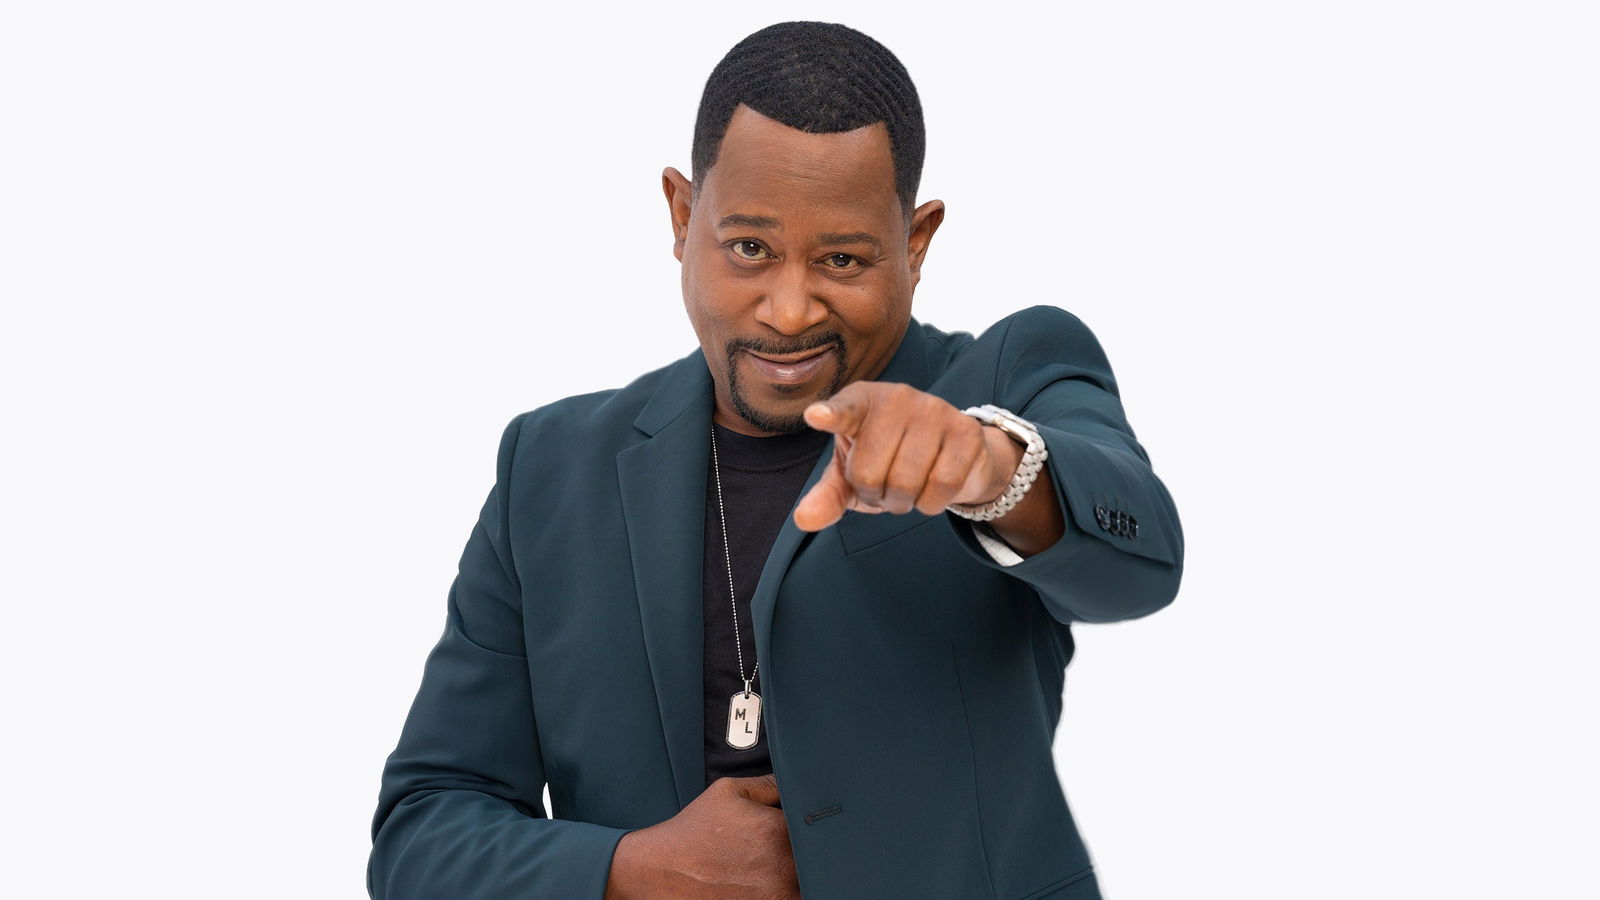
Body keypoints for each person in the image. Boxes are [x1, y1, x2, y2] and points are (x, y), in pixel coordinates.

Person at [368, 20, 1183, 900]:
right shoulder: (551, 468)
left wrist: (992, 471)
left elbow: (1140, 562)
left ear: (915, 243)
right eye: (749, 248)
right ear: (683, 218)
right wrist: (631, 869)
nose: (790, 311)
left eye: (842, 258)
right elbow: (424, 833)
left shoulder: (1006, 381)